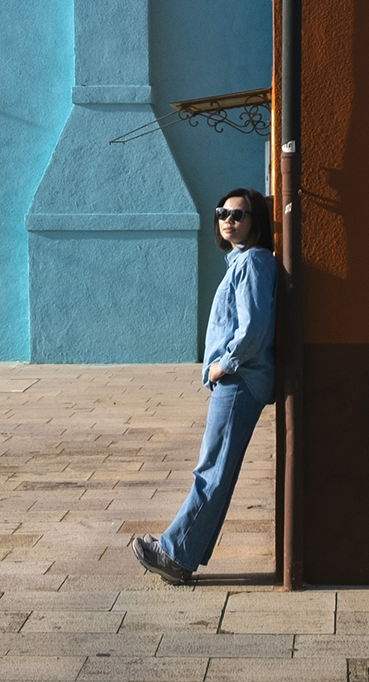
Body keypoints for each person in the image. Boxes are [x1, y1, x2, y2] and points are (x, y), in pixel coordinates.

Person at [133, 187, 276, 586]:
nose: (228, 220)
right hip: (239, 379)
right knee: (218, 471)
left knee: (211, 470)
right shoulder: (244, 261)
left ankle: (175, 553)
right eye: (222, 213)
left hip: (239, 380)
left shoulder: (253, 262)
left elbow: (254, 329)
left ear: (256, 221)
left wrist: (221, 366)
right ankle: (182, 555)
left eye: (238, 214)